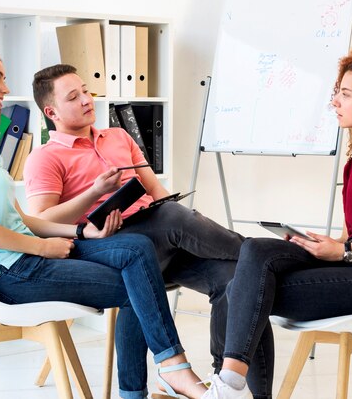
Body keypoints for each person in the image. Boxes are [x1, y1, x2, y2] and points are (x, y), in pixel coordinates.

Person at [0, 45, 209, 399]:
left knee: (138, 249)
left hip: (24, 260)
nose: (4, 88)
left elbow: (23, 219)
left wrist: (79, 230)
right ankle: (162, 376)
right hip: (6, 274)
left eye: (3, 78)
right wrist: (42, 247)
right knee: (139, 286)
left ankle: (166, 371)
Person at [202, 47, 352, 399]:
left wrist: (345, 251)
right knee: (253, 252)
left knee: (245, 290)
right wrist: (324, 246)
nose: (335, 101)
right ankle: (228, 383)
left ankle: (227, 386)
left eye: (345, 94)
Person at [23, 64, 247, 397]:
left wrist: (171, 216)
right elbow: (41, 220)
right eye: (74, 96)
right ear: (51, 111)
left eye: (86, 90)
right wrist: (95, 193)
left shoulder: (118, 136)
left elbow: (155, 191)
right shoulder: (45, 157)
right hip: (104, 244)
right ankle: (257, 253)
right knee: (161, 233)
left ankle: (219, 384)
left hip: (155, 235)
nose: (87, 100)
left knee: (230, 278)